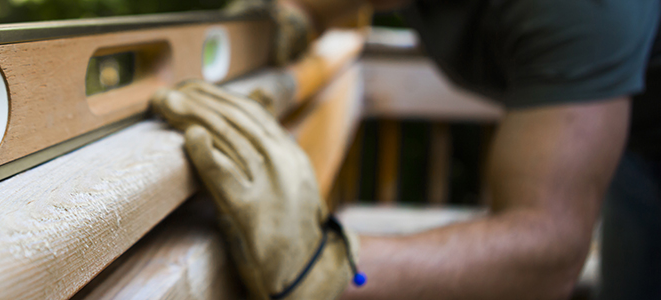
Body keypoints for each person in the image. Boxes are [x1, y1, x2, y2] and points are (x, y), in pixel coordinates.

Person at [150, 0, 661, 299]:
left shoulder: (585, 11)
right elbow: (309, 8)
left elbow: (550, 252)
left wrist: (326, 266)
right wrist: (281, 25)